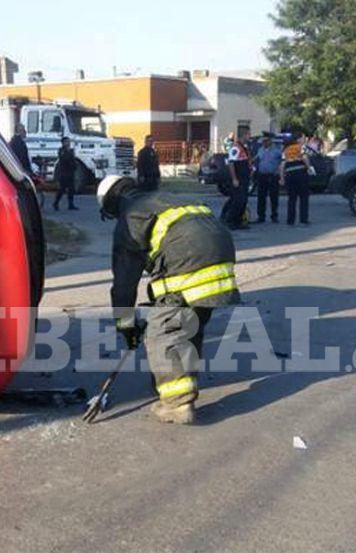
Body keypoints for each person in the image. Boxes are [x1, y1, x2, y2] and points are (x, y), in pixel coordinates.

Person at [97, 175, 240, 424]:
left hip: (189, 259)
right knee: (188, 326)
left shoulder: (130, 218)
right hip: (222, 254)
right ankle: (174, 383)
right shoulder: (166, 198)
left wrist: (125, 325)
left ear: (111, 204)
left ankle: (177, 404)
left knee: (162, 333)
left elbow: (124, 285)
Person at [280, 135, 312, 226]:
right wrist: (309, 168)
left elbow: (282, 165)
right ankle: (303, 220)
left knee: (291, 199)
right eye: (302, 138)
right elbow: (304, 157)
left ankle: (290, 221)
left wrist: (282, 178)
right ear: (297, 140)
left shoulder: (285, 150)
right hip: (301, 174)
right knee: (304, 198)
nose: (303, 139)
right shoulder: (300, 147)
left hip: (290, 175)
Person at [224, 132, 251, 230]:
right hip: (238, 178)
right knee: (237, 200)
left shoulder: (244, 147)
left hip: (244, 178)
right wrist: (234, 179)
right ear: (243, 136)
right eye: (248, 135)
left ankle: (239, 221)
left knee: (243, 201)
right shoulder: (236, 148)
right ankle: (230, 220)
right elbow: (231, 164)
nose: (249, 136)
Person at [253, 136, 283, 223]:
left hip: (273, 176)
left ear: (270, 141)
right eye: (263, 141)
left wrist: (279, 171)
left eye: (266, 141)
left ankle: (274, 216)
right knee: (261, 196)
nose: (264, 143)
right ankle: (261, 216)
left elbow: (282, 161)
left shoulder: (277, 150)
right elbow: (257, 159)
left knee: (274, 197)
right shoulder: (260, 150)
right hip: (262, 175)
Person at [53, 137, 78, 211]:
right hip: (63, 173)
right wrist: (70, 153)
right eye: (67, 142)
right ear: (63, 143)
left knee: (71, 189)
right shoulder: (62, 151)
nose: (68, 143)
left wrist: (75, 166)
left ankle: (71, 204)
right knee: (62, 189)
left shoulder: (70, 150)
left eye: (69, 142)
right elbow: (65, 159)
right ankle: (56, 202)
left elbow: (73, 160)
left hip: (70, 172)